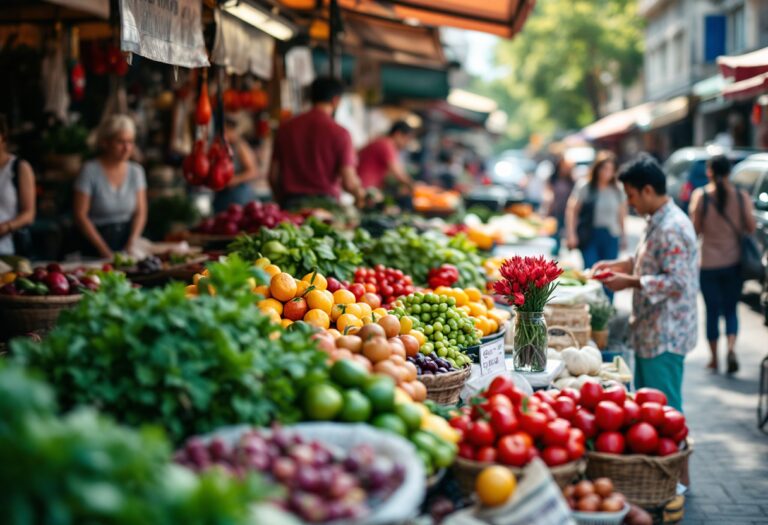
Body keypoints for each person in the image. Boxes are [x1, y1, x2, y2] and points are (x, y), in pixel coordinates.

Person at [593, 153, 698, 411]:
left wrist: (628, 281)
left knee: (664, 412)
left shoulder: (672, 227)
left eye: (631, 195)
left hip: (665, 335)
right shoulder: (656, 219)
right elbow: (648, 259)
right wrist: (618, 265)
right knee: (647, 408)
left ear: (648, 190)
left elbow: (677, 281)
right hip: (649, 332)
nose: (629, 203)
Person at [689, 155, 756, 374]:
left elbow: (695, 230)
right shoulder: (741, 196)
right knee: (730, 309)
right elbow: (751, 227)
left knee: (711, 311)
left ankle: (714, 358)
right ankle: (731, 348)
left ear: (709, 172)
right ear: (730, 172)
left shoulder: (701, 197)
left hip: (708, 263)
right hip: (734, 262)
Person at [269, 76, 364, 209]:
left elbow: (273, 176)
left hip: (290, 205)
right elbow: (348, 181)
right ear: (336, 100)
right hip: (326, 208)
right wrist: (360, 195)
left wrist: (283, 202)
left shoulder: (285, 128)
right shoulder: (340, 133)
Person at [74, 114, 147, 258]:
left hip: (126, 242)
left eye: (130, 142)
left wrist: (131, 242)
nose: (126, 148)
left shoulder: (136, 171)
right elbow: (80, 215)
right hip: (94, 244)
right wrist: (104, 251)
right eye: (120, 142)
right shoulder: (89, 170)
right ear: (105, 143)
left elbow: (141, 212)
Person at [565, 151, 627, 279]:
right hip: (589, 235)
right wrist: (571, 234)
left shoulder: (617, 189)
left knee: (609, 274)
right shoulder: (585, 186)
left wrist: (623, 235)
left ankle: (607, 299)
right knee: (591, 271)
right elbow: (572, 210)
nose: (607, 173)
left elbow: (621, 214)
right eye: (604, 168)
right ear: (597, 168)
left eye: (611, 169)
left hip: (611, 235)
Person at [0, 114, 36, 256]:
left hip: (9, 249)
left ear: (3, 136)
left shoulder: (19, 167)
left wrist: (6, 227)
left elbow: (29, 214)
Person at [212, 116, 260, 213]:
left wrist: (235, 180)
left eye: (225, 131)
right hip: (222, 196)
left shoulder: (241, 147)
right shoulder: (221, 147)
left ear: (232, 130)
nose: (222, 135)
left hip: (239, 195)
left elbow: (253, 171)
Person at [357, 120, 414, 191]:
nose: (406, 143)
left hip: (363, 184)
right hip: (361, 186)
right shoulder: (386, 144)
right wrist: (413, 185)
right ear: (398, 134)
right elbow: (397, 172)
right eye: (406, 139)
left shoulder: (384, 142)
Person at [542, 156, 575, 256]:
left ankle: (560, 249)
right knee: (554, 233)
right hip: (554, 210)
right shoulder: (553, 178)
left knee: (563, 231)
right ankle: (555, 251)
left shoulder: (571, 180)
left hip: (566, 210)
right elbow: (547, 192)